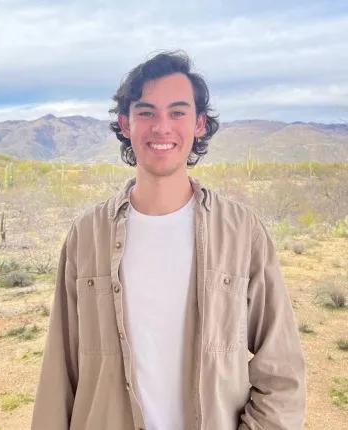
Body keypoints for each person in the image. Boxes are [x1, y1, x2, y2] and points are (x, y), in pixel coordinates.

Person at [31, 50, 306, 430]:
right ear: (126, 124)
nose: (162, 127)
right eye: (146, 112)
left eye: (177, 112)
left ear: (198, 124)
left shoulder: (243, 232)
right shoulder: (86, 234)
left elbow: (283, 370)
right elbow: (60, 371)